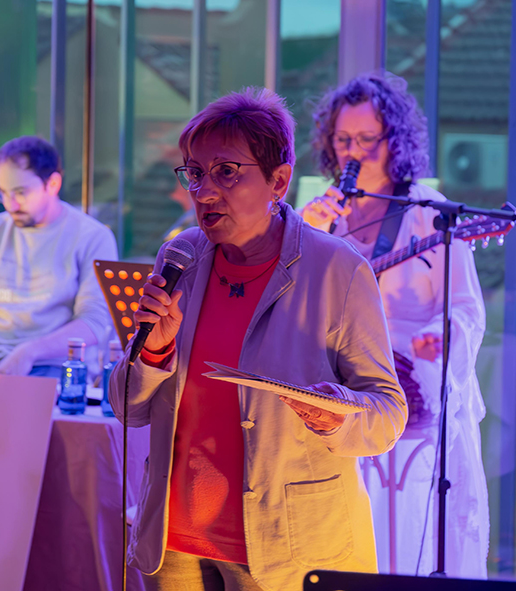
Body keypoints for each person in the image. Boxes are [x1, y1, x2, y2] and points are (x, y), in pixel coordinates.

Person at [108, 87, 407, 591]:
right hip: (174, 543)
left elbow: (387, 414)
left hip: (285, 548)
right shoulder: (180, 256)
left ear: (279, 181)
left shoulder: (338, 270)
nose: (204, 191)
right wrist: (153, 350)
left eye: (226, 171)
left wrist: (338, 415)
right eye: (194, 172)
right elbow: (127, 408)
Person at [301, 73, 489, 577]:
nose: (353, 152)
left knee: (403, 549)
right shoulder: (319, 213)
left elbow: (466, 307)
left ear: (394, 142)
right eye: (343, 139)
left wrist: (441, 336)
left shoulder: (428, 212)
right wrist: (305, 233)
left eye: (367, 139)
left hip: (412, 415)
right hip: (336, 409)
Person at [0, 136, 118, 377]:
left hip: (57, 367)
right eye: (2, 192)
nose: (10, 204)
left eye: (20, 192)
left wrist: (29, 353)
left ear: (52, 184)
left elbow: (95, 323)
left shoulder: (92, 237)